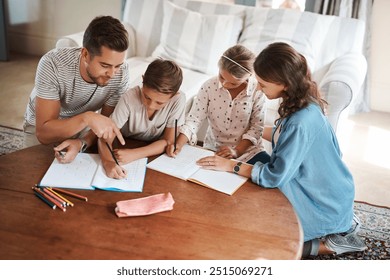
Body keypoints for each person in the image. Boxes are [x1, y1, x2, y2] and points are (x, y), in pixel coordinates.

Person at [196, 42, 366, 258]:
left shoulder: (300, 122)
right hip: (333, 189)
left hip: (320, 200)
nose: (258, 88)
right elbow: (280, 134)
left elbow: (273, 176)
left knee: (257, 239)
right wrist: (244, 134)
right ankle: (342, 222)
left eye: (263, 84)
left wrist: (231, 165)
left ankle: (333, 243)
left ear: (284, 84)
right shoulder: (305, 102)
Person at [23, 15, 130, 163]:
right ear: (85, 54)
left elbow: (105, 123)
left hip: (84, 128)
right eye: (105, 65)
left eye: (117, 66)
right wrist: (87, 117)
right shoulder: (52, 64)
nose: (112, 74)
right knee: (30, 179)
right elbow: (44, 134)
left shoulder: (121, 73)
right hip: (44, 127)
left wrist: (82, 142)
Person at [167, 45, 268, 164]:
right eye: (221, 76)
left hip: (249, 153)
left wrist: (236, 151)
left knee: (271, 176)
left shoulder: (257, 91)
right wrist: (178, 144)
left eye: (233, 83)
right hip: (214, 150)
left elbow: (256, 128)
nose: (225, 84)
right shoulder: (209, 86)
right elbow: (194, 119)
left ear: (249, 75)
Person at [99, 58, 185, 179]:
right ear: (143, 80)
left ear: (174, 95)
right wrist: (108, 162)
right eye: (147, 97)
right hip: (123, 145)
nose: (151, 105)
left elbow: (169, 142)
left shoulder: (178, 100)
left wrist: (135, 154)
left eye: (159, 103)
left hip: (148, 155)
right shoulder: (129, 98)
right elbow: (104, 139)